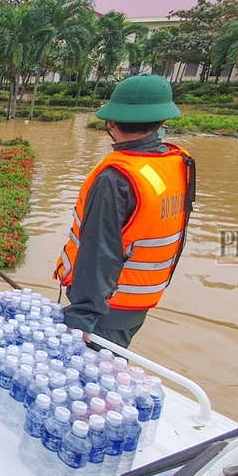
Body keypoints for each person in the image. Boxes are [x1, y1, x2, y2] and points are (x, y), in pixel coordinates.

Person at [53, 73, 196, 348]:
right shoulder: (177, 163)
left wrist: (83, 317)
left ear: (110, 122)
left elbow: (99, 252)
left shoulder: (115, 178)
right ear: (163, 122)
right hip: (141, 298)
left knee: (91, 375)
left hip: (106, 306)